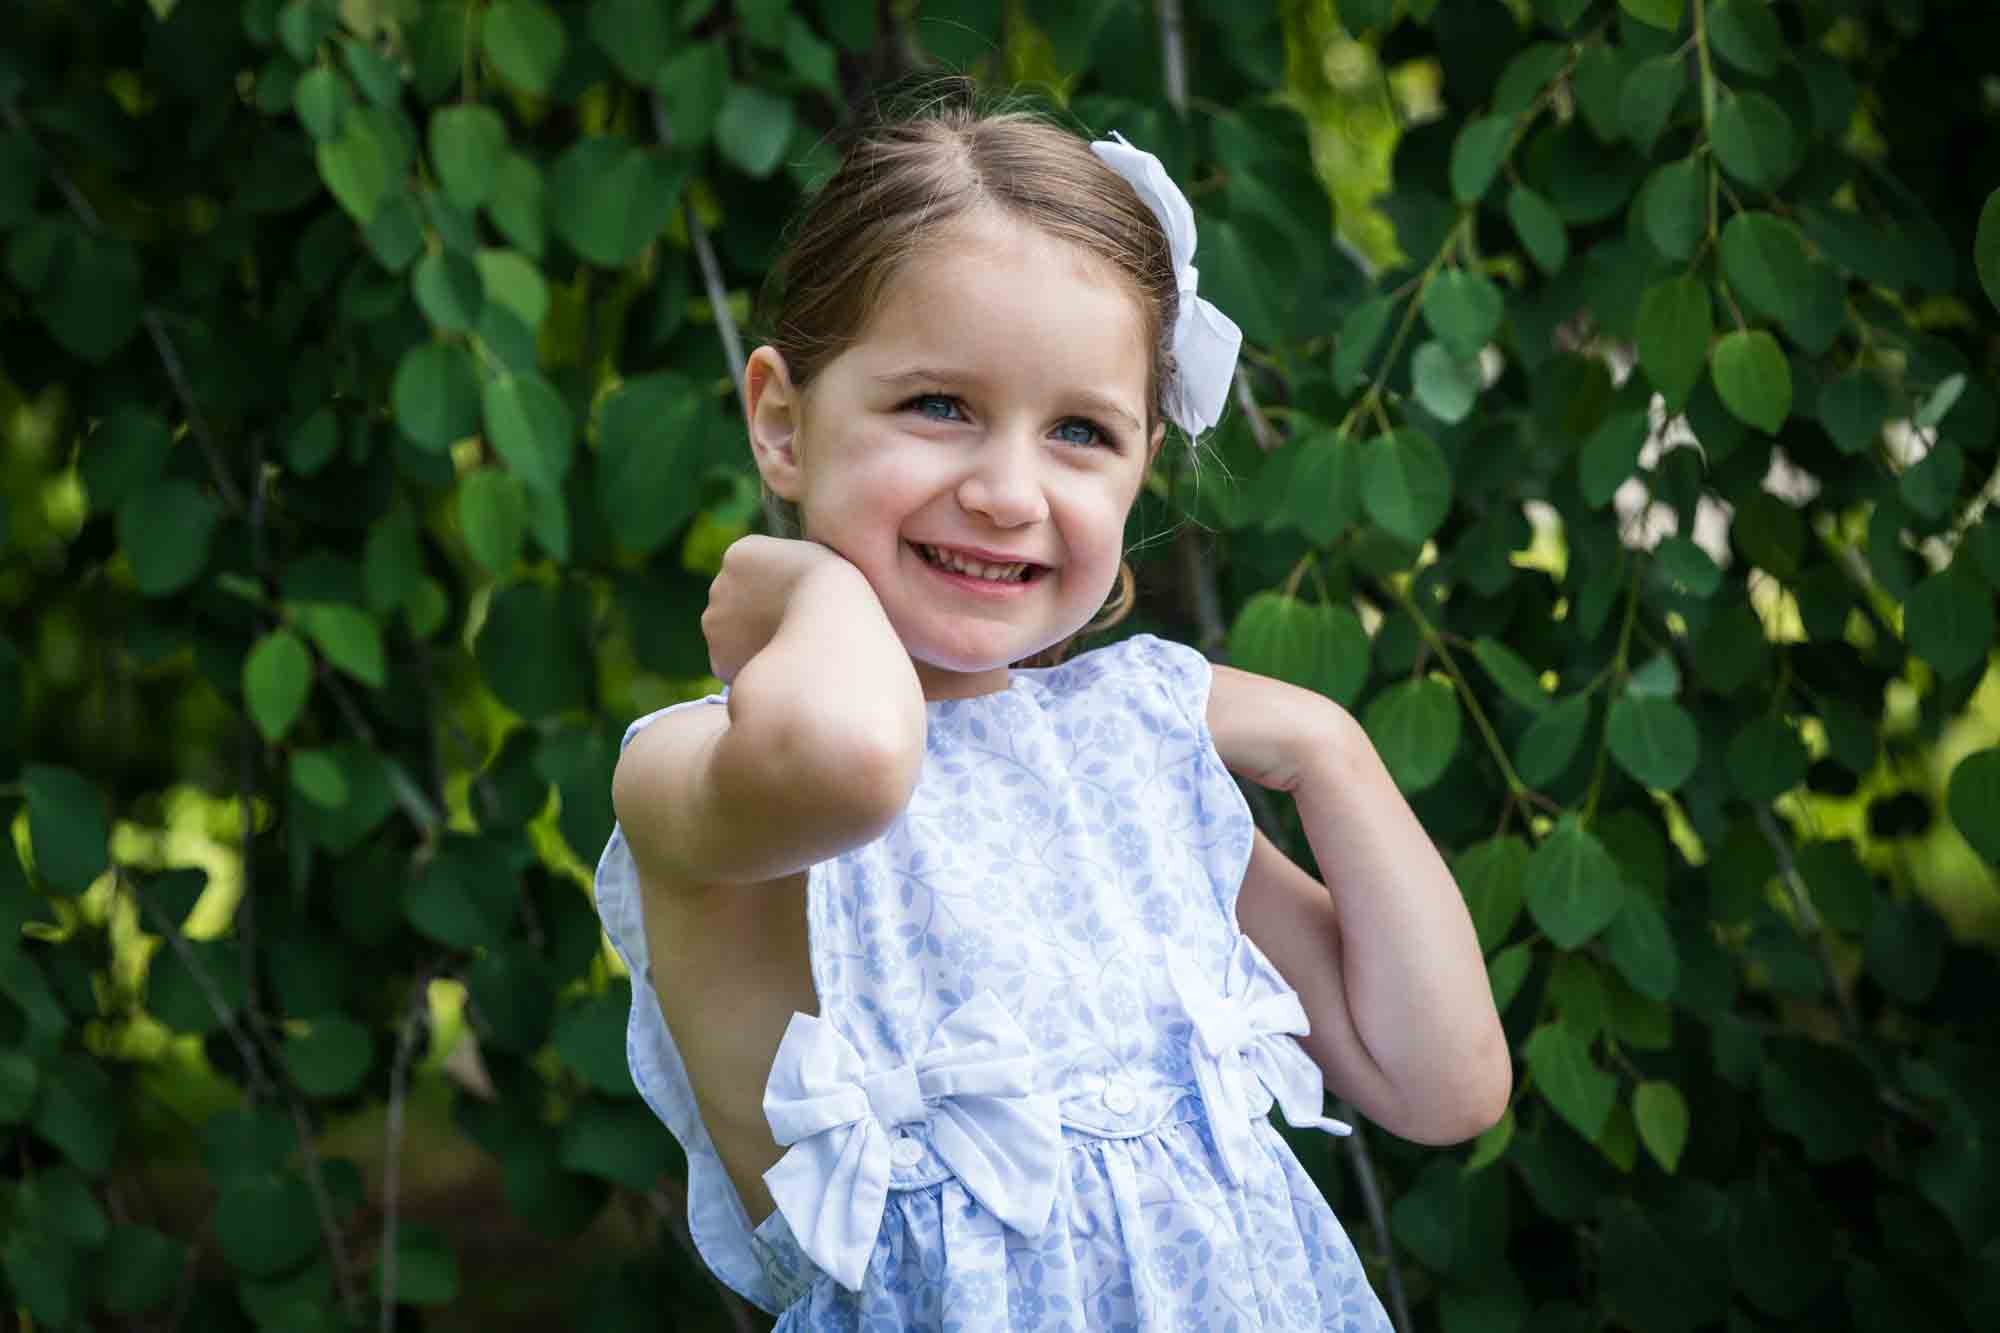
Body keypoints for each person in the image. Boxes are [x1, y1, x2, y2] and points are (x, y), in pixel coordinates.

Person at [596, 91, 1510, 1330]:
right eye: (938, 405)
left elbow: (1439, 1081)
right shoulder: (697, 770)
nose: (1006, 490)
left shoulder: (1123, 775)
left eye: (1079, 430)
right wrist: (807, 582)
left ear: (1140, 471)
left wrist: (1324, 747)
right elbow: (860, 755)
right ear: (780, 421)